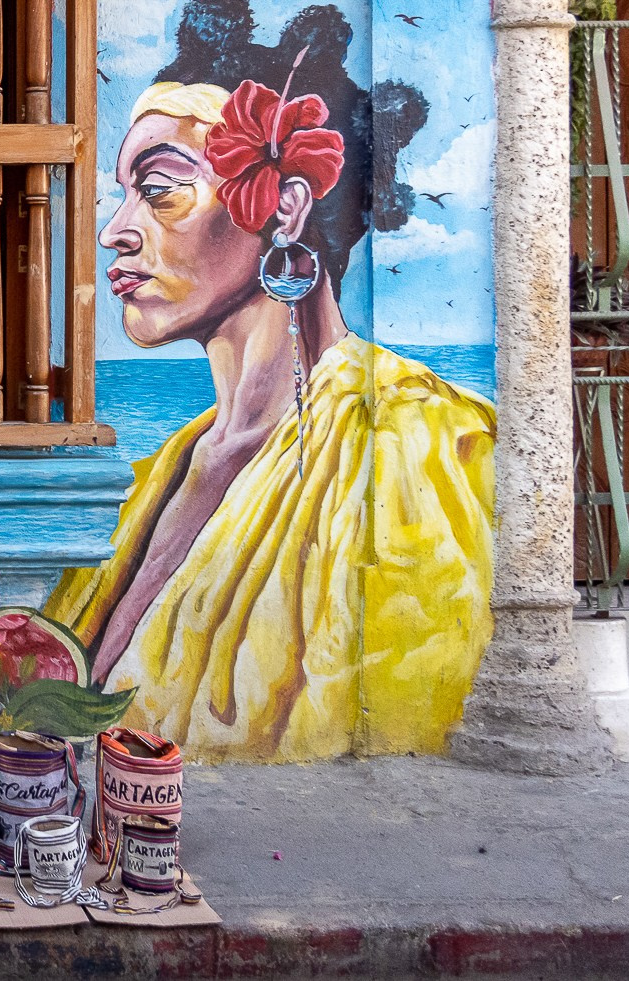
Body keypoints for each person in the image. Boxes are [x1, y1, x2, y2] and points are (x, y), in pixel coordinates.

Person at [44, 74, 495, 762]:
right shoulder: (172, 465)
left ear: (284, 208)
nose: (115, 232)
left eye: (159, 189)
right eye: (123, 196)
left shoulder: (418, 444)